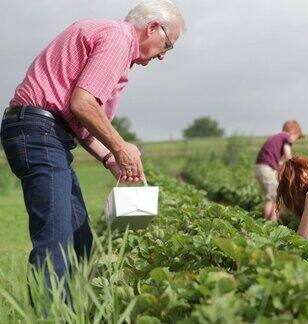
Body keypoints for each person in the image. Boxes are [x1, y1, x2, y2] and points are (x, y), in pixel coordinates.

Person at [0, 0, 185, 285]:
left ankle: (72, 310)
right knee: (57, 240)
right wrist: (121, 147)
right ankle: (50, 316)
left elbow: (82, 124)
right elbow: (83, 104)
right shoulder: (119, 39)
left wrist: (110, 158)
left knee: (79, 241)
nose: (163, 56)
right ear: (151, 27)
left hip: (48, 133)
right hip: (38, 132)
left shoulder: (113, 40)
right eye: (168, 44)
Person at [254, 121, 304, 221]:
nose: (294, 141)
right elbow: (288, 156)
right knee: (275, 197)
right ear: (292, 132)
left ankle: (266, 224)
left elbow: (280, 162)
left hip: (259, 168)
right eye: (296, 137)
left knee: (271, 197)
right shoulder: (286, 137)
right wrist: (295, 165)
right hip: (266, 168)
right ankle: (270, 224)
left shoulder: (277, 138)